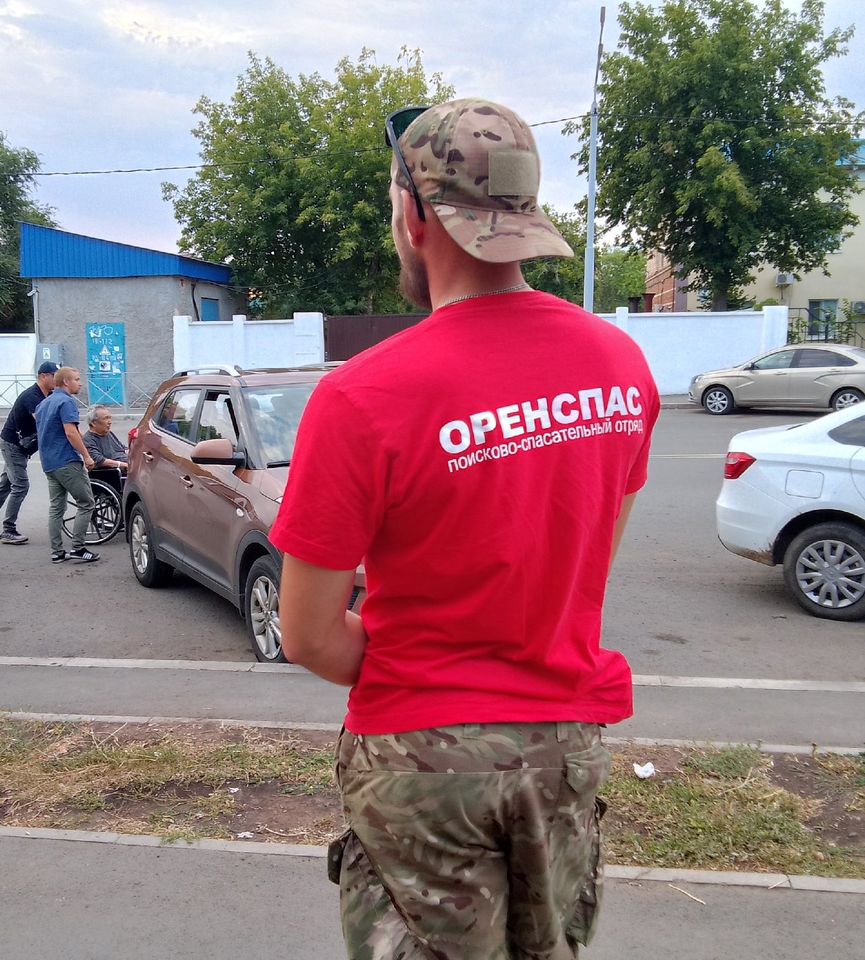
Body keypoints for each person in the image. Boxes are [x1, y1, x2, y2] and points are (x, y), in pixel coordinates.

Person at [269, 99, 661, 959]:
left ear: (414, 217)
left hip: (421, 763)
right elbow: (588, 562)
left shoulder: (360, 396)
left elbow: (307, 634)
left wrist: (430, 674)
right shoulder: (621, 368)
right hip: (562, 748)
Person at [0, 360, 59, 545]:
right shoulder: (32, 397)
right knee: (20, 485)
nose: (57, 380)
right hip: (13, 445)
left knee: (5, 485)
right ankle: (8, 530)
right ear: (43, 376)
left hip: (20, 446)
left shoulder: (47, 394)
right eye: (55, 376)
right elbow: (44, 422)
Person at [36, 366, 99, 564]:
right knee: (86, 503)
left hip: (49, 462)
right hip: (66, 460)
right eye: (77, 379)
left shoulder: (44, 403)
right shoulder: (66, 401)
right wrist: (87, 456)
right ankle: (78, 548)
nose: (80, 383)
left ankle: (57, 552)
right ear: (66, 382)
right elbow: (70, 432)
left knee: (56, 507)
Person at [82, 405, 128, 474]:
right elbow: (99, 460)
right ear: (93, 423)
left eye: (110, 418)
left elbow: (122, 448)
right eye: (105, 418)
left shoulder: (108, 433)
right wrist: (121, 464)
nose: (110, 422)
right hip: (116, 470)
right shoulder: (88, 439)